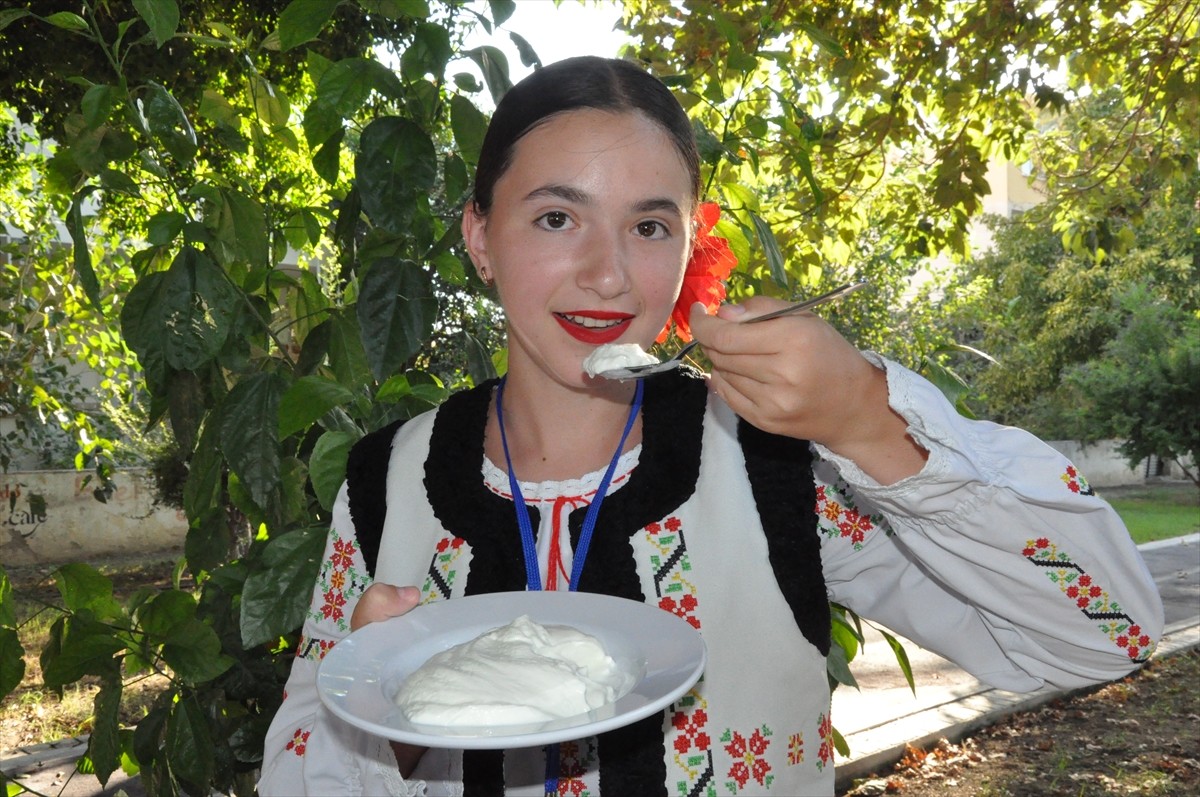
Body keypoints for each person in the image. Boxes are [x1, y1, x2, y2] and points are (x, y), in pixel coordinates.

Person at [258, 55, 1163, 797]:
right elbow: (297, 779)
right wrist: (384, 710)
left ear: (690, 246)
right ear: (481, 235)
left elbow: (1102, 631)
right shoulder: (390, 482)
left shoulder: (774, 460)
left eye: (650, 226)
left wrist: (870, 422)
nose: (609, 274)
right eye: (557, 216)